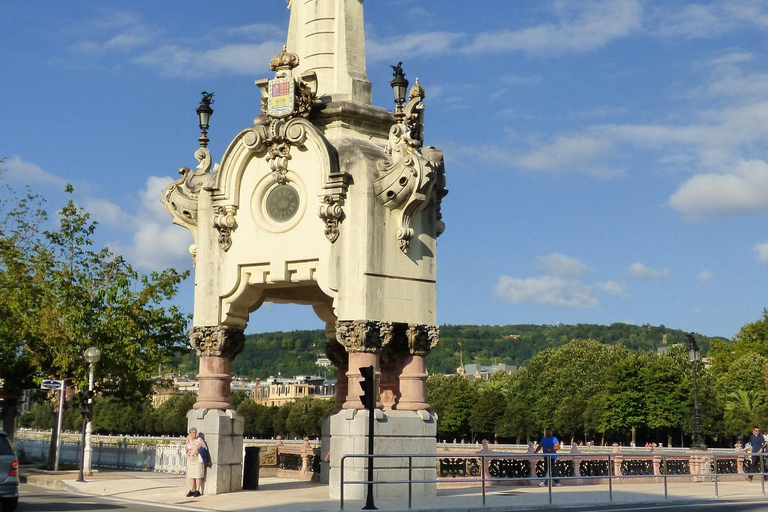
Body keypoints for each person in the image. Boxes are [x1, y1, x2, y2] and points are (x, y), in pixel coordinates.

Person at [185, 427, 208, 497]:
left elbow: (205, 448)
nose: (194, 434)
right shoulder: (188, 441)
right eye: (193, 433)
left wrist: (198, 451)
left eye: (195, 432)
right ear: (190, 433)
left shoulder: (199, 440)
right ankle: (192, 489)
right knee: (191, 475)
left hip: (197, 459)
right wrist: (187, 457)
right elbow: (186, 449)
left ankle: (198, 490)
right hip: (190, 459)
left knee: (198, 475)